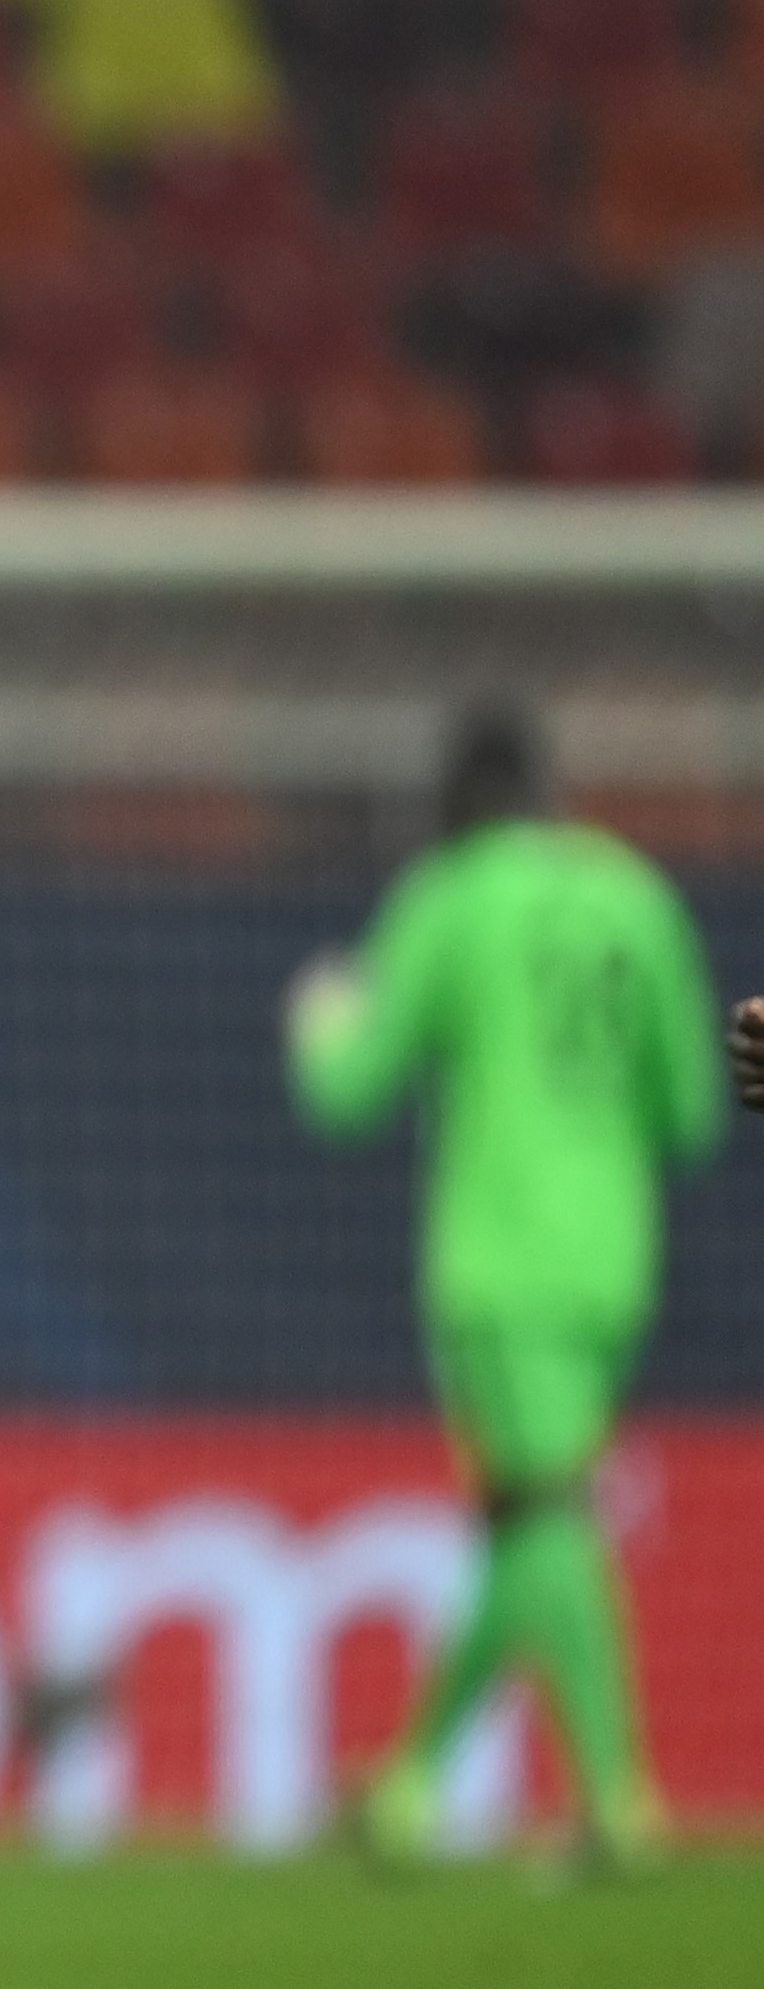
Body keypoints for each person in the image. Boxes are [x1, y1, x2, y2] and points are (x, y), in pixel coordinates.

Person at [292, 701, 725, 1874]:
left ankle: (614, 1804)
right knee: (522, 1533)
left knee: (539, 1518)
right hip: (613, 1265)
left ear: (455, 803)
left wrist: (317, 1022)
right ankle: (409, 1788)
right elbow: (691, 1111)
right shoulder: (637, 896)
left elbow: (350, 1091)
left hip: (496, 1264)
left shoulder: (454, 893)